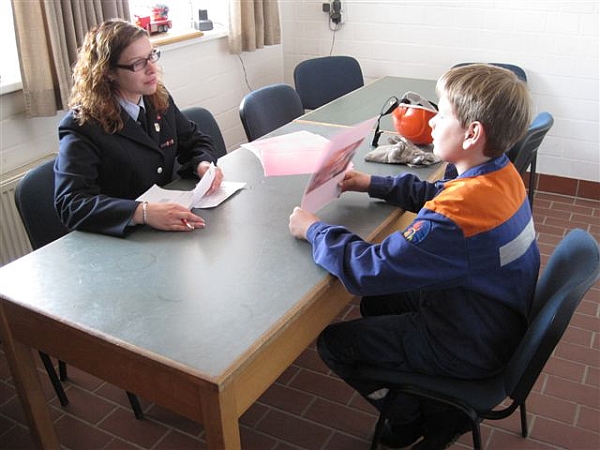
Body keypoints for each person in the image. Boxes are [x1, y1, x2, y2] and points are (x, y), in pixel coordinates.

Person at [289, 64, 539, 449]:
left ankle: (409, 418)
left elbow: (368, 270)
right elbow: (441, 194)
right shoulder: (501, 175)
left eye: (444, 114)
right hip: (493, 317)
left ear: (472, 133)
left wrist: (314, 229)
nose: (432, 121)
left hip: (467, 344)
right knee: (379, 304)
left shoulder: (454, 219)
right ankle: (423, 397)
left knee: (335, 344)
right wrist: (371, 183)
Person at [55, 18, 223, 237]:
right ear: (108, 72)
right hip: (123, 238)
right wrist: (141, 212)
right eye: (138, 63)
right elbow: (71, 203)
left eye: (151, 56)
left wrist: (202, 164)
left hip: (168, 229)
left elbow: (195, 140)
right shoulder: (83, 125)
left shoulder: (157, 99)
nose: (152, 69)